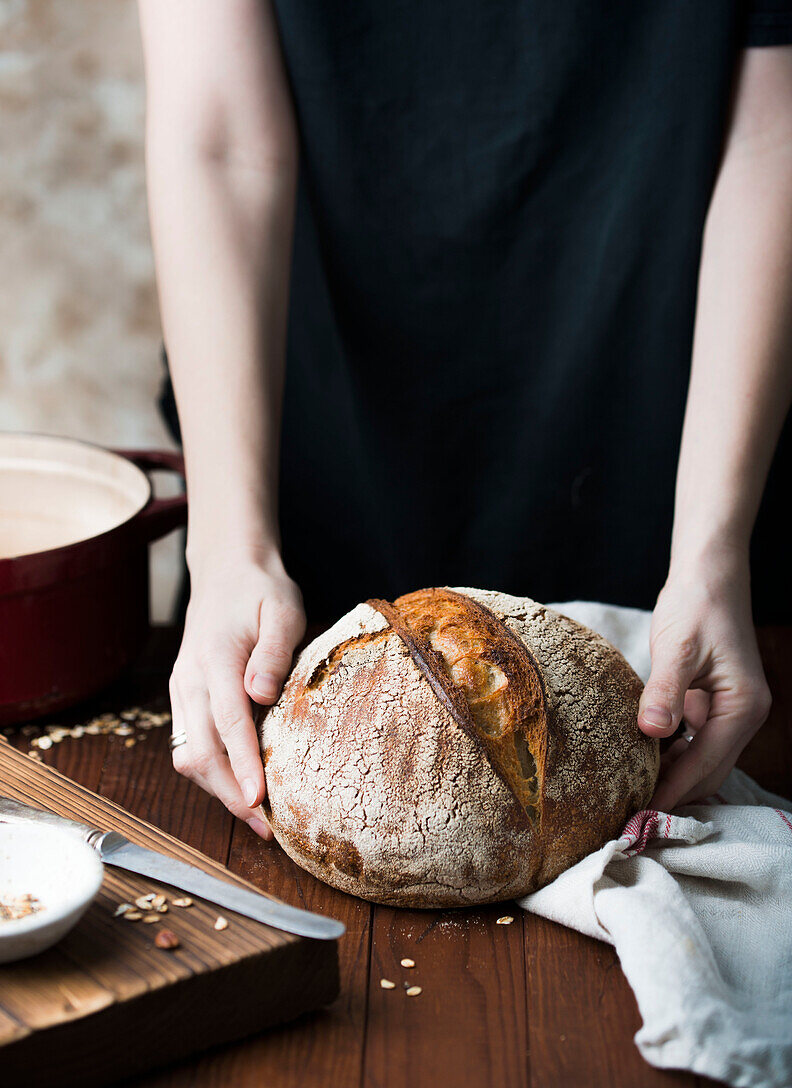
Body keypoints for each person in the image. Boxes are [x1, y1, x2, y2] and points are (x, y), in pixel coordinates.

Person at [137, 1, 792, 840]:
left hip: (675, 421)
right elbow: (219, 141)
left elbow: (771, 133)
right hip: (315, 437)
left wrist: (711, 546)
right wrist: (231, 547)